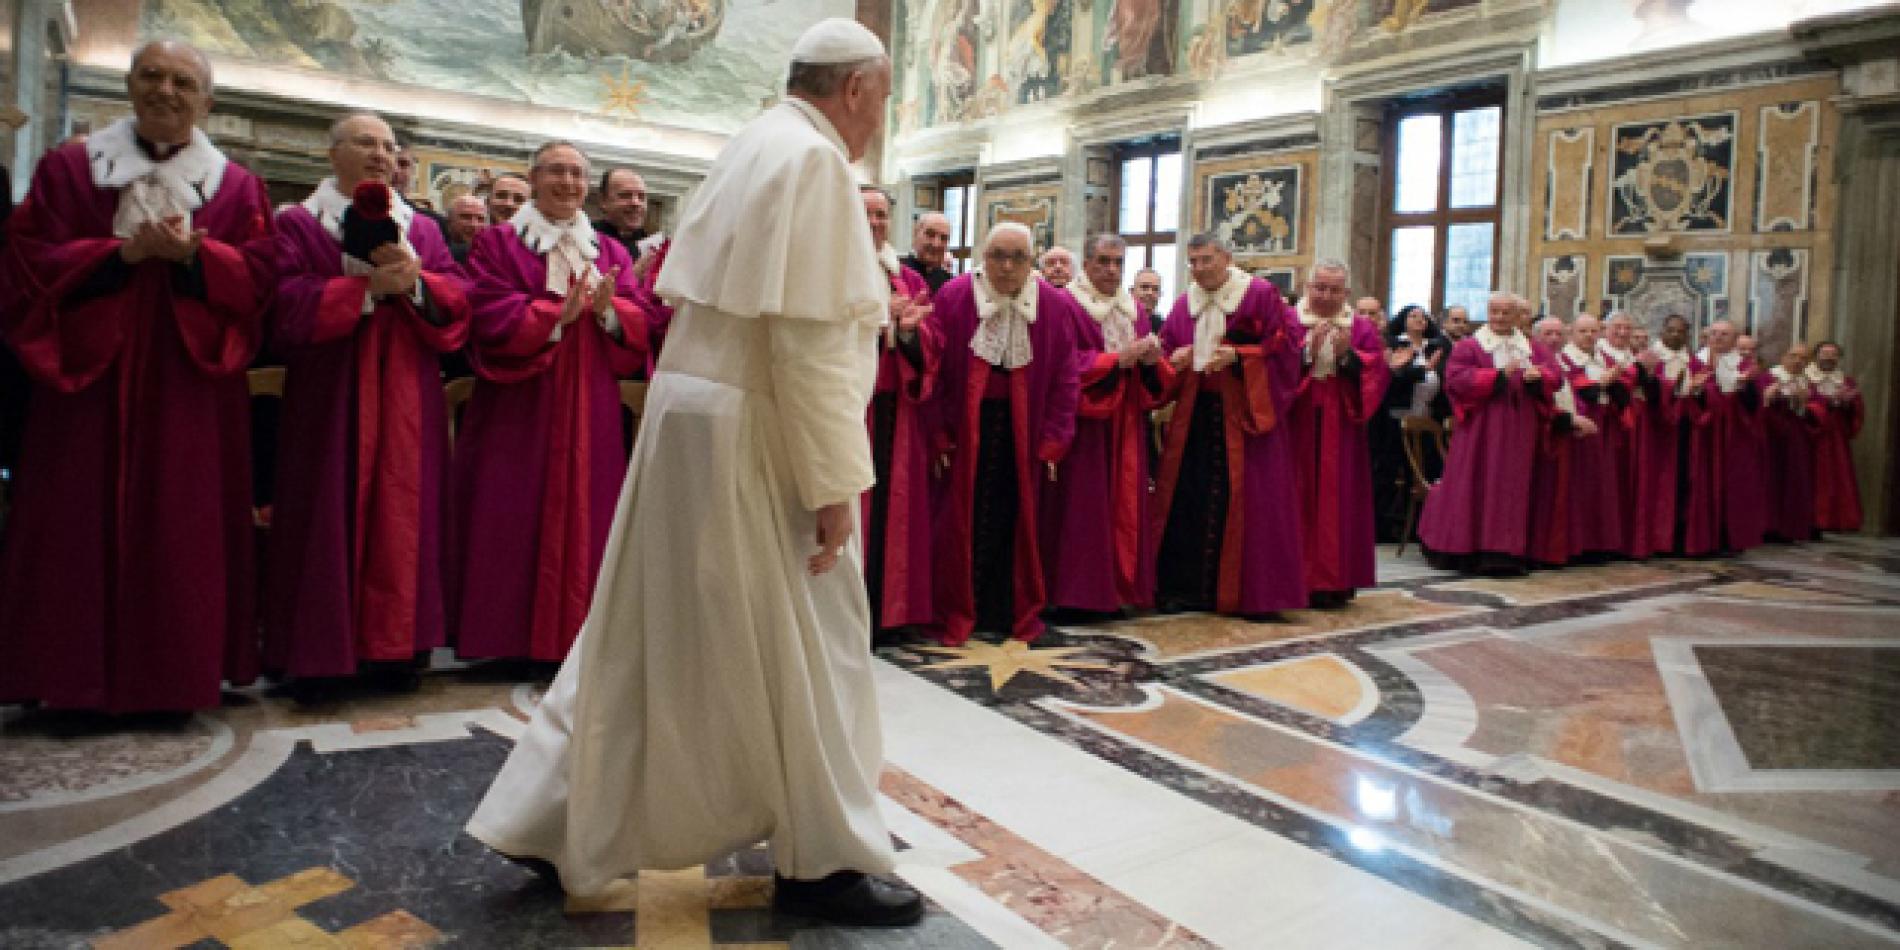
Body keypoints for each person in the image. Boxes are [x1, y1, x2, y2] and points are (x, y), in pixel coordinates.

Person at [465, 20, 925, 926]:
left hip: (691, 424)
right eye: (881, 100)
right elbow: (812, 339)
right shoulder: (818, 162)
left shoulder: (754, 142)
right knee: (817, 643)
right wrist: (834, 484)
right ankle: (822, 858)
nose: (877, 120)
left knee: (643, 634)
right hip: (761, 429)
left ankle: (547, 817)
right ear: (861, 89)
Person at [0, 40, 274, 713]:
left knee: (186, 522)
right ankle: (69, 679)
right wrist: (120, 253)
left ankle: (175, 676)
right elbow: (27, 260)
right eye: (152, 76)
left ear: (206, 101)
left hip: (190, 380)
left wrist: (195, 258)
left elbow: (262, 277)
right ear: (129, 86)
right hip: (92, 374)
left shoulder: (235, 186)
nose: (166, 91)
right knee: (75, 519)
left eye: (184, 81)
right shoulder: (71, 168)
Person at [263, 111, 472, 694]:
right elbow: (279, 303)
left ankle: (395, 647)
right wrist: (361, 292)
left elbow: (459, 297)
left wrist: (419, 285)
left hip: (409, 387)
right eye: (365, 143)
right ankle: (319, 651)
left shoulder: (424, 232)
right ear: (332, 154)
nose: (380, 155)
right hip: (330, 391)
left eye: (388, 146)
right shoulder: (299, 225)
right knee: (326, 504)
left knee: (405, 512)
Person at [449, 142, 650, 666]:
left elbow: (637, 316)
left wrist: (609, 314)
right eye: (557, 171)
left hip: (592, 405)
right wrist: (557, 314)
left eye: (578, 174)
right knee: (510, 510)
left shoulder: (609, 253)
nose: (568, 182)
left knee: (590, 513)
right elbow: (487, 309)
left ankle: (579, 638)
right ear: (534, 179)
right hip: (522, 403)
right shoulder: (499, 242)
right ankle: (504, 640)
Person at [928, 223, 1081, 644]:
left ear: (1032, 262)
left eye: (1018, 257)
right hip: (968, 429)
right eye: (998, 256)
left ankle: (1005, 608)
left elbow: (1067, 376)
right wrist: (940, 431)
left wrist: (1054, 439)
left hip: (1023, 429)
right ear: (983, 256)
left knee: (1017, 516)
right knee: (964, 515)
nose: (1007, 266)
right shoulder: (956, 296)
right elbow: (935, 368)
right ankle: (960, 604)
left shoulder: (1051, 304)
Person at [1153, 233, 1305, 617]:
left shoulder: (1258, 294)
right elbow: (1168, 351)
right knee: (1189, 497)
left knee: (1247, 502)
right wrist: (1177, 360)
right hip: (1196, 416)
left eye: (1207, 260)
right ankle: (1185, 589)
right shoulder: (1186, 302)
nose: (1200, 268)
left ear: (1226, 257)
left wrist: (1239, 357)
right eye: (1194, 262)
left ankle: (1249, 593)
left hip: (1243, 417)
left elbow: (1286, 348)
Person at [1044, 233, 1168, 616]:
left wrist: (1152, 361)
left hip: (1126, 423)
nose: (1112, 270)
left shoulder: (1133, 309)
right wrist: (1115, 361)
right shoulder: (1065, 304)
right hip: (1085, 427)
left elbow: (1150, 373)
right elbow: (1062, 363)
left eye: (1118, 262)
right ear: (1087, 262)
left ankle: (1119, 588)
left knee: (1124, 508)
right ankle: (1077, 594)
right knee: (1084, 509)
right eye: (1103, 261)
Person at [1418, 293, 1557, 574]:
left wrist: (1538, 378)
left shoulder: (1531, 347)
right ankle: (1472, 548)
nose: (1500, 318)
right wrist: (1498, 376)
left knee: (1513, 487)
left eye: (1507, 313)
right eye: (1495, 312)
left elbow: (1554, 374)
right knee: (1478, 482)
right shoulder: (1471, 346)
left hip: (1520, 428)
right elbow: (1457, 379)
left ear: (1517, 316)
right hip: (1482, 429)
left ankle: (1509, 550)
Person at [859, 185, 941, 637]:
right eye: (866, 215)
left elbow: (933, 341)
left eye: (881, 216)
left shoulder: (905, 279)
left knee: (894, 511)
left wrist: (908, 334)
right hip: (850, 407)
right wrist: (873, 322)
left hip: (895, 409)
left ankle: (889, 610)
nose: (874, 223)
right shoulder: (829, 270)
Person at [1288, 270, 1389, 607]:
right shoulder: (1290, 320)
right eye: (1320, 288)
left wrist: (1349, 357)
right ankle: (1294, 577)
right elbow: (1271, 364)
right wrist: (1305, 353)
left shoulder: (1360, 327)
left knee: (1338, 497)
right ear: (1307, 287)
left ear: (1346, 292)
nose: (1327, 296)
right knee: (1295, 494)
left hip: (1340, 420)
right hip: (1296, 419)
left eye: (1335, 290)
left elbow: (1377, 372)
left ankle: (1334, 580)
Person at [1686, 320, 1768, 554]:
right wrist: (1696, 390)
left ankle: (1729, 539)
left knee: (1734, 487)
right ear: (1706, 336)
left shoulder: (1744, 365)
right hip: (1704, 436)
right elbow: (1685, 400)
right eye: (1714, 333)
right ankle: (1701, 539)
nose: (1718, 338)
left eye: (1724, 334)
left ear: (1734, 339)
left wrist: (1744, 386)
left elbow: (1755, 406)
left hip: (1735, 437)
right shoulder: (1695, 362)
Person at [1371, 304, 1446, 542]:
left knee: (1426, 472)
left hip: (1426, 419)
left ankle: (1419, 528)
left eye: (1423, 317)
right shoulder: (1394, 344)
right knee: (1388, 474)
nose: (1419, 320)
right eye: (1413, 316)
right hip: (1396, 418)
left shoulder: (1435, 347)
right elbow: (1392, 379)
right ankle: (1381, 527)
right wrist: (1420, 371)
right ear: (1403, 320)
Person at [1554, 315, 1623, 560]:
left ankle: (1599, 542)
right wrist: (1602, 383)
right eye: (1583, 331)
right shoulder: (1565, 359)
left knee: (1601, 484)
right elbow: (1577, 388)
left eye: (1594, 331)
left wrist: (1613, 385)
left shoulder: (1604, 358)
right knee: (1579, 484)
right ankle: (1577, 544)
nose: (1589, 336)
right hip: (1581, 425)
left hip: (1604, 424)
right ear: (1572, 332)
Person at [1648, 315, 1710, 554]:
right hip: (1657, 429)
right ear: (1662, 330)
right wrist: (1672, 389)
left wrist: (1696, 391)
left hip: (1684, 426)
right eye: (1671, 330)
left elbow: (1704, 395)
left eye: (1681, 332)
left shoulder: (1691, 361)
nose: (1675, 335)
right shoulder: (1652, 358)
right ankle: (1657, 539)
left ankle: (1678, 537)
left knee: (1683, 481)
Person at [1762, 343, 1821, 543]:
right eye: (1793, 356)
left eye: (1803, 358)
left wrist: (1802, 405)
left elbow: (1815, 413)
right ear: (1782, 357)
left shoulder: (1807, 383)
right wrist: (1769, 398)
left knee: (1793, 483)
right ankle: (1768, 526)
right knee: (1770, 481)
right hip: (1771, 440)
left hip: (1796, 440)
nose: (1797, 361)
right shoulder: (1768, 378)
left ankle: (1788, 528)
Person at [1807, 341, 1863, 533]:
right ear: (1817, 356)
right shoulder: (1808, 378)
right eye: (1825, 353)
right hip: (1813, 436)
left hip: (1836, 436)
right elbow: (1805, 405)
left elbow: (1856, 409)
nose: (1829, 357)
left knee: (1836, 478)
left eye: (1833, 354)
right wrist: (1827, 403)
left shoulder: (1845, 381)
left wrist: (1847, 403)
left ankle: (1835, 520)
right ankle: (1812, 520)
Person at [592, 167, 650, 260]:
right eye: (625, 195)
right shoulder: (586, 238)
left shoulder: (652, 246)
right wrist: (632, 274)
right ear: (603, 201)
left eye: (641, 197)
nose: (636, 202)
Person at [900, 211, 954, 294]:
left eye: (943, 238)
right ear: (915, 235)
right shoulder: (897, 272)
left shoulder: (950, 282)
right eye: (930, 235)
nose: (936, 244)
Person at [444, 194, 489, 264]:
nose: (474, 225)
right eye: (466, 217)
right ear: (449, 221)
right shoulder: (436, 256)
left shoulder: (491, 258)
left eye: (480, 219)